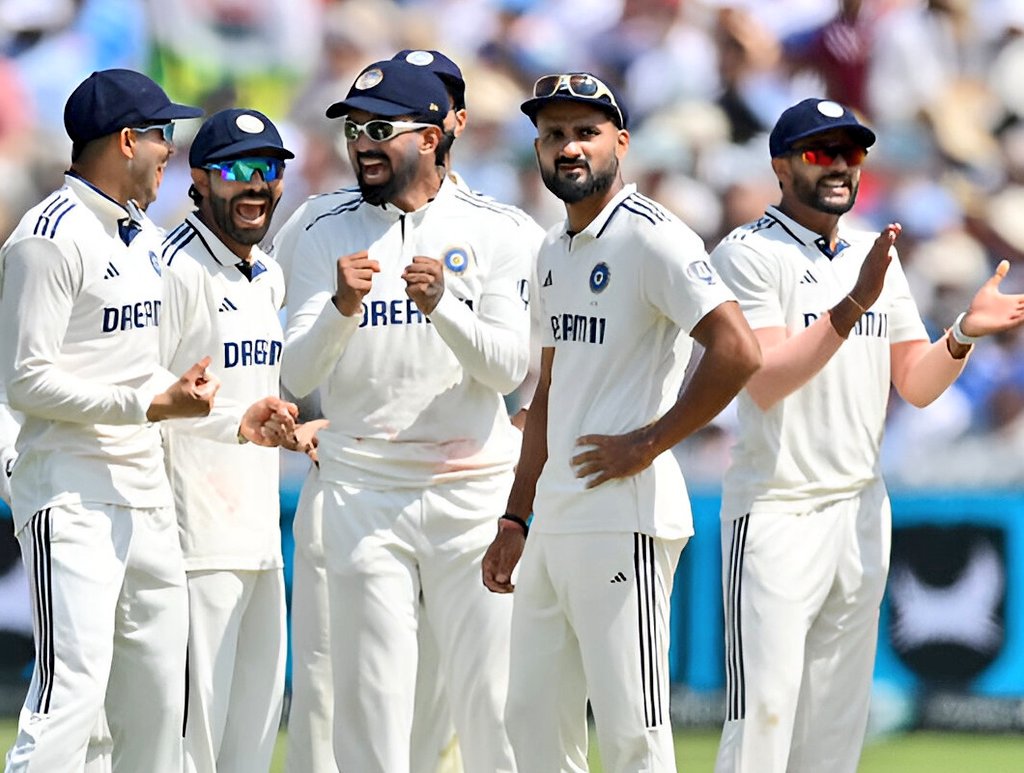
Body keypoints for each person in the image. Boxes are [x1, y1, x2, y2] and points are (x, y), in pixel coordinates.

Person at [708, 97, 1024, 773]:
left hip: (860, 505)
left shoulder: (870, 252)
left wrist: (963, 332)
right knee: (762, 714)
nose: (840, 166)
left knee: (834, 726)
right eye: (821, 152)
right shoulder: (747, 252)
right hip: (776, 507)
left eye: (851, 152)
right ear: (781, 165)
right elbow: (766, 378)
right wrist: (854, 302)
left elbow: (913, 380)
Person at [482, 73, 761, 773]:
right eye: (553, 136)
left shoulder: (653, 237)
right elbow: (548, 390)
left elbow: (739, 348)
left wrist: (650, 440)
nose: (568, 147)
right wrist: (516, 518)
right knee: (533, 723)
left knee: (632, 730)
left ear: (621, 143)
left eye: (585, 132)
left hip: (624, 513)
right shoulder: (553, 248)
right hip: (555, 516)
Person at [281, 57, 533, 773]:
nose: (361, 142)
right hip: (362, 488)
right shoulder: (321, 225)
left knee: (491, 707)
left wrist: (444, 306)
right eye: (354, 128)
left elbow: (507, 370)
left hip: (473, 489)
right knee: (370, 706)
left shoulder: (500, 228)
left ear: (430, 135)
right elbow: (297, 374)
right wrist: (340, 308)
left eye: (380, 128)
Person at [0, 68, 211, 773]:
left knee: (157, 705)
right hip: (72, 494)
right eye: (163, 137)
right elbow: (26, 380)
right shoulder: (46, 238)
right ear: (128, 140)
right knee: (71, 701)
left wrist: (181, 393)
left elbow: (132, 366)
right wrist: (147, 402)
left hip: (146, 493)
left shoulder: (145, 237)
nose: (170, 153)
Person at [159, 107, 301, 773]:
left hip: (259, 540)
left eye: (267, 169)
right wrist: (236, 423)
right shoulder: (167, 268)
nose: (253, 184)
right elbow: (143, 400)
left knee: (249, 746)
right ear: (198, 178)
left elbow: (249, 397)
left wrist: (286, 428)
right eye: (235, 169)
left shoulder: (267, 274)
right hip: (189, 547)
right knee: (190, 745)